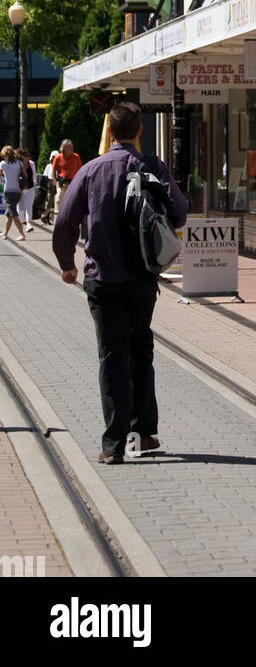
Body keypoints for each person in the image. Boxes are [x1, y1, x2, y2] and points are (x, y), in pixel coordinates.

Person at [52, 101, 187, 465]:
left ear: (110, 132)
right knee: (141, 347)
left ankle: (113, 444)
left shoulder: (92, 169)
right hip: (144, 276)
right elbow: (180, 212)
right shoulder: (154, 166)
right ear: (139, 130)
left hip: (103, 277)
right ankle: (145, 432)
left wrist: (67, 264)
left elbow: (65, 221)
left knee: (112, 355)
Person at [1, 145, 25, 242]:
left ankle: (22, 234)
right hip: (17, 190)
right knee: (9, 213)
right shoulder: (19, 163)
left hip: (8, 190)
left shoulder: (3, 164)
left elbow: (0, 176)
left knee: (13, 213)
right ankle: (5, 233)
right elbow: (25, 175)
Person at [17, 149, 35, 231]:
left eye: (28, 156)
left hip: (30, 188)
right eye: (26, 156)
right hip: (20, 188)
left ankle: (28, 224)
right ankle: (21, 223)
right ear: (22, 157)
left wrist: (35, 184)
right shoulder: (18, 164)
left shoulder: (31, 163)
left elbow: (34, 174)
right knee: (20, 207)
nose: (28, 158)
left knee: (28, 206)